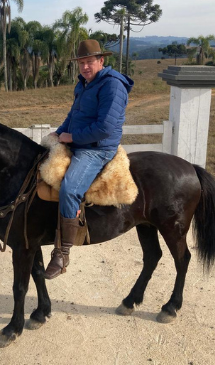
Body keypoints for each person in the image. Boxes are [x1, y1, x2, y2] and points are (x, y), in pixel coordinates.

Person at [45, 39, 134, 279]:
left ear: (101, 61)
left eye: (89, 62)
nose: (85, 67)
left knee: (69, 189)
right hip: (78, 141)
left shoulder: (112, 86)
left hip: (96, 148)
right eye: (81, 62)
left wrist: (71, 137)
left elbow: (104, 128)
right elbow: (73, 115)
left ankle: (62, 253)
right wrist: (59, 132)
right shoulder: (84, 84)